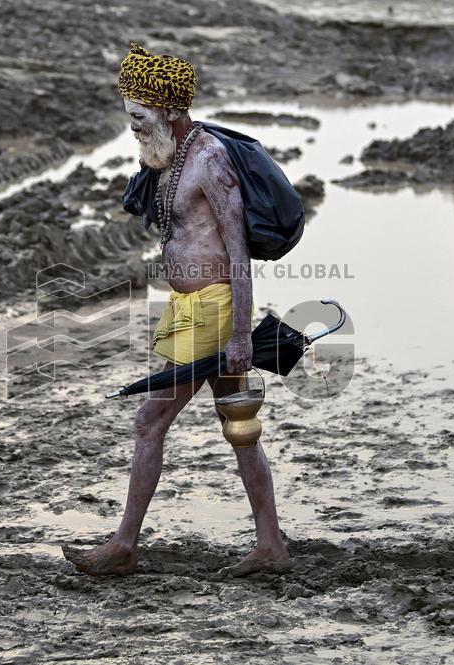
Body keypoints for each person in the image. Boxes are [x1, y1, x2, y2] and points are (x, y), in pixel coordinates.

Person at [62, 43, 291, 577]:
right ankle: (271, 544)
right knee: (239, 426)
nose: (134, 129)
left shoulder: (209, 159)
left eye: (140, 118)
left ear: (169, 110)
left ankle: (122, 546)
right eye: (129, 119)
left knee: (149, 421)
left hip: (212, 310)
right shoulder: (170, 156)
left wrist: (240, 336)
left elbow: (238, 252)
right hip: (187, 306)